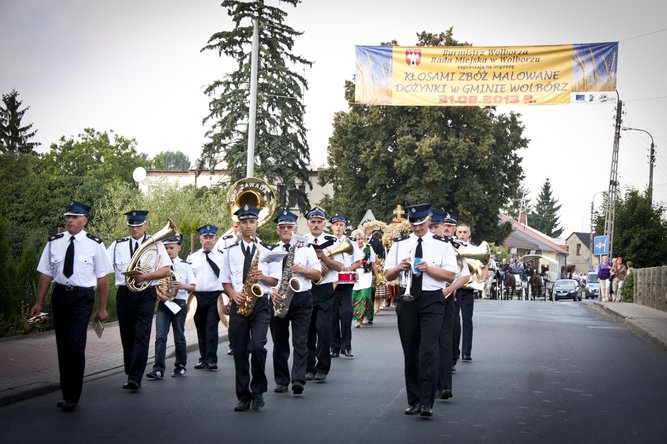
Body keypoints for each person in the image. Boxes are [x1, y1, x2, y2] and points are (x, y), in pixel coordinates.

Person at [31, 201, 113, 412]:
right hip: (60, 295)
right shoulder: (54, 242)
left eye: (75, 217)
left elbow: (102, 278)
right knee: (63, 345)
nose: (70, 220)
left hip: (82, 297)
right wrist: (38, 303)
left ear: (84, 221)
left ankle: (73, 395)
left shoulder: (95, 244)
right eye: (68, 216)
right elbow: (46, 274)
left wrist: (102, 308)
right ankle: (66, 392)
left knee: (76, 344)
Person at [384, 203, 457, 417]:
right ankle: (414, 400)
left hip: (432, 299)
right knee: (411, 351)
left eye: (421, 223)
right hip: (407, 300)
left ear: (429, 219)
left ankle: (427, 402)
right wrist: (399, 267)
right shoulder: (400, 244)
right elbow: (387, 275)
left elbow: (450, 275)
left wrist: (429, 269)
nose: (417, 228)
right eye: (413, 224)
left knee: (428, 349)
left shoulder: (442, 244)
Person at [222, 204, 280, 412]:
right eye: (244, 222)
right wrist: (232, 293)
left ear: (257, 224)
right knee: (239, 352)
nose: (248, 226)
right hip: (239, 304)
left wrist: (262, 276)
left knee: (257, 346)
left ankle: (258, 391)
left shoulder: (268, 251)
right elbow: (225, 280)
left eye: (251, 222)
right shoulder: (229, 252)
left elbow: (274, 281)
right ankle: (243, 396)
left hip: (261, 304)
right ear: (238, 226)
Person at [107, 210, 172, 392]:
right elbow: (103, 266)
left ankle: (135, 378)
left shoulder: (156, 244)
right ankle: (131, 371)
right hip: (125, 293)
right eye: (131, 225)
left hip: (146, 294)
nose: (134, 229)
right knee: (127, 336)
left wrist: (147, 276)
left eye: (138, 225)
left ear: (146, 225)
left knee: (142, 336)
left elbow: (166, 270)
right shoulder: (117, 245)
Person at [269, 210, 321, 396]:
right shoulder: (271, 251)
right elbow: (265, 279)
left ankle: (298, 380)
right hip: (278, 299)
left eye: (289, 227)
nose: (286, 230)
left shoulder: (306, 248)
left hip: (301, 298)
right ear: (277, 230)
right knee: (280, 343)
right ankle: (281, 381)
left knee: (300, 341)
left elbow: (317, 274)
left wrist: (302, 270)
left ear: (296, 229)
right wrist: (271, 291)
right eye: (282, 227)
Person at [428, 209, 469, 400]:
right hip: (425, 300)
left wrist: (448, 290)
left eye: (437, 226)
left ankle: (444, 386)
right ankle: (429, 383)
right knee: (428, 342)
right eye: (432, 227)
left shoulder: (453, 248)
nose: (435, 230)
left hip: (446, 299)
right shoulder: (420, 245)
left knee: (444, 341)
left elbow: (465, 275)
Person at [146, 235, 196, 380]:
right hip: (164, 303)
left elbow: (193, 287)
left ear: (179, 248)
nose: (168, 251)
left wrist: (182, 285)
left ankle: (180, 366)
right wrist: (162, 297)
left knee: (179, 336)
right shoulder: (159, 266)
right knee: (160, 337)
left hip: (179, 303)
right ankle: (158, 369)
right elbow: (153, 284)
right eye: (166, 248)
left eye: (171, 248)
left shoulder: (186, 266)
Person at [305, 207, 342, 382]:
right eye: (313, 222)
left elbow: (340, 267)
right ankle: (309, 366)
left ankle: (323, 367)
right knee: (308, 330)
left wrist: (324, 259)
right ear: (308, 223)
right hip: (306, 289)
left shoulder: (333, 241)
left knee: (324, 329)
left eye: (319, 222)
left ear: (324, 223)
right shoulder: (302, 241)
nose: (316, 225)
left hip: (326, 289)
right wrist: (315, 267)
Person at [187, 224, 225, 370]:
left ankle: (211, 360)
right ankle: (203, 358)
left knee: (211, 328)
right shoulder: (193, 257)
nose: (208, 240)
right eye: (205, 237)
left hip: (214, 296)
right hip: (197, 297)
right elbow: (189, 277)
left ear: (215, 239)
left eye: (211, 237)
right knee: (200, 328)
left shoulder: (222, 256)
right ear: (201, 239)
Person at [330, 213, 363, 358]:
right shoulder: (327, 242)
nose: (338, 227)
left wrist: (349, 268)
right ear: (332, 226)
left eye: (341, 224)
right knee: (332, 315)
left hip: (346, 282)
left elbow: (358, 261)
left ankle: (346, 346)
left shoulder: (352, 243)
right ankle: (334, 347)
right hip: (331, 283)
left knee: (346, 314)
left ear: (345, 227)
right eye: (336, 224)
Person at [452, 221, 478, 364]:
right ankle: (454, 352)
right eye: (460, 232)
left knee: (467, 320)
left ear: (469, 234)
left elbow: (482, 266)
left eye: (465, 232)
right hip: (454, 287)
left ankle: (467, 352)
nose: (462, 234)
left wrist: (481, 279)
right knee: (454, 321)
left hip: (468, 288)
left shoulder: (474, 249)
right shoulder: (450, 247)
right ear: (456, 232)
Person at [351, 229, 376, 328]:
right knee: (356, 296)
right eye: (357, 239)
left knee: (365, 296)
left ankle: (366, 316)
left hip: (366, 274)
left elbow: (373, 264)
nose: (360, 241)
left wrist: (377, 277)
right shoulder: (351, 248)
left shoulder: (369, 248)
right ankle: (358, 319)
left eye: (361, 238)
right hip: (356, 274)